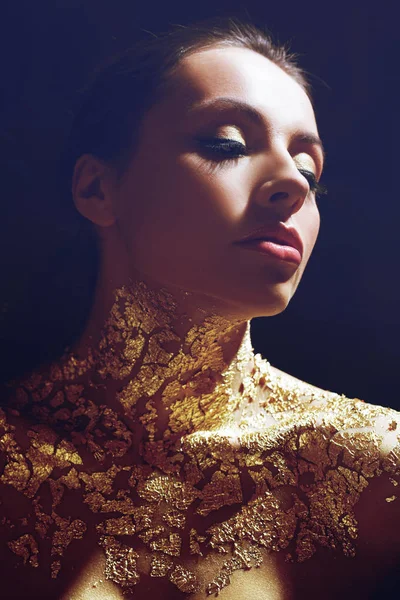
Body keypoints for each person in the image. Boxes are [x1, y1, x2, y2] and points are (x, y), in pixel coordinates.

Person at [0, 15, 399, 600]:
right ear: (96, 190)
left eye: (310, 171)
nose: (291, 182)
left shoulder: (369, 466)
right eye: (227, 144)